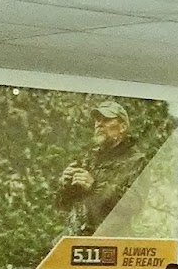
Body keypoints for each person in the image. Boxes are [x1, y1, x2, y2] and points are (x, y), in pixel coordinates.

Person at [56, 100, 147, 236]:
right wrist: (65, 187)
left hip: (112, 239)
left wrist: (95, 186)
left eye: (106, 120)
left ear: (122, 127)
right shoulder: (87, 157)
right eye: (98, 120)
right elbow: (63, 206)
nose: (99, 124)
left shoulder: (136, 160)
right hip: (77, 237)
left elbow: (134, 204)